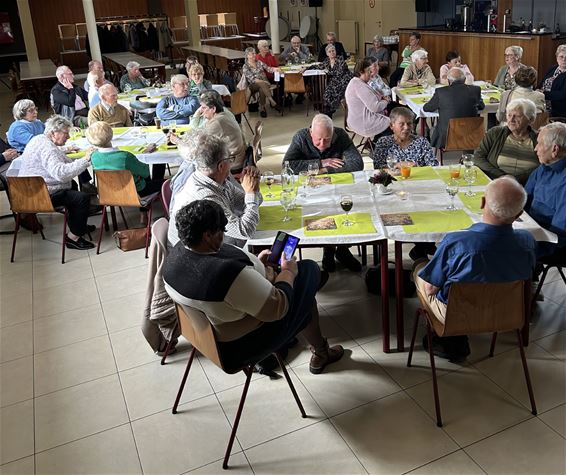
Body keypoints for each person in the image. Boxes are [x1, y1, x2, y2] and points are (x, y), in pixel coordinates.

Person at [163, 199, 344, 374]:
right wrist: (288, 272)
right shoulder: (224, 275)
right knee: (308, 271)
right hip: (241, 346)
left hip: (204, 337)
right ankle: (321, 352)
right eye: (221, 232)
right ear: (207, 235)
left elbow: (234, 290)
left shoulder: (175, 256)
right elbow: (277, 307)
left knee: (302, 292)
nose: (223, 236)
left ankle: (321, 351)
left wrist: (257, 266)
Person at [414, 176, 536, 361]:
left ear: (482, 202)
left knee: (420, 269)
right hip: (506, 313)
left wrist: (419, 268)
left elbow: (430, 289)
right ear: (519, 214)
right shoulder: (528, 242)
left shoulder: (456, 242)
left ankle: (447, 338)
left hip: (457, 316)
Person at [283, 114, 363, 273]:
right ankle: (330, 249)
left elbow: (357, 163)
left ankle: (340, 249)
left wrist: (325, 170)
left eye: (327, 139)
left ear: (333, 135)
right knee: (320, 216)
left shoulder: (340, 136)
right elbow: (287, 166)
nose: (322, 144)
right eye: (318, 139)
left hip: (338, 189)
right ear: (310, 132)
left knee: (348, 213)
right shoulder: (301, 137)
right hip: (309, 192)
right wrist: (319, 162)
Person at [167, 130, 262, 248]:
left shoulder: (217, 180)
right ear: (221, 166)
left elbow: (250, 203)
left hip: (210, 241)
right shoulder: (206, 197)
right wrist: (251, 193)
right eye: (230, 158)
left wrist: (253, 186)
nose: (231, 162)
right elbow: (246, 231)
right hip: (192, 254)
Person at [17, 115, 95, 250]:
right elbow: (61, 174)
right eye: (66, 133)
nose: (68, 137)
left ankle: (78, 223)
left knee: (73, 185)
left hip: (29, 190)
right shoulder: (49, 148)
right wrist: (86, 160)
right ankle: (73, 237)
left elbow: (51, 152)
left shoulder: (39, 139)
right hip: (41, 195)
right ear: (53, 132)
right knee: (81, 198)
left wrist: (66, 149)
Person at [86, 121, 162, 198]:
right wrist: (145, 154)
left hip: (109, 193)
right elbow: (146, 173)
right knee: (168, 182)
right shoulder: (125, 156)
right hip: (135, 192)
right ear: (111, 134)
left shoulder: (93, 157)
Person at [524, 122, 566, 258]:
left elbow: (559, 234)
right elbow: (523, 200)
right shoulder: (544, 167)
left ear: (554, 149)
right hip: (533, 229)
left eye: (539, 144)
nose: (535, 149)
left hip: (554, 242)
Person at [474, 98, 539, 185]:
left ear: (530, 119)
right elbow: (478, 157)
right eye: (509, 115)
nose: (511, 120)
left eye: (517, 116)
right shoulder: (495, 133)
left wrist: (517, 180)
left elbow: (545, 166)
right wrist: (503, 176)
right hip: (496, 183)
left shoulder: (540, 139)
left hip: (528, 186)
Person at [423, 68, 484, 149]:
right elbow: (481, 106)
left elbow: (427, 108)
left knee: (434, 129)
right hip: (470, 134)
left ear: (448, 81)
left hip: (447, 136)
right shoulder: (475, 90)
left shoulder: (441, 92)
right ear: (465, 79)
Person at [189, 90, 246, 172]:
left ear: (213, 109)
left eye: (204, 108)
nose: (201, 110)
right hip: (235, 156)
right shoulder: (224, 113)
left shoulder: (217, 122)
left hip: (232, 163)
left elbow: (198, 143)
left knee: (192, 162)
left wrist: (177, 141)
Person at [372, 107, 437, 168]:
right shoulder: (384, 142)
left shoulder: (421, 142)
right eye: (401, 124)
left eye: (409, 124)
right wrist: (399, 165)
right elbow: (378, 167)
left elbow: (433, 165)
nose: (406, 128)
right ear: (391, 125)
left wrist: (417, 167)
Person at [344, 57, 390, 140]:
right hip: (362, 122)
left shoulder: (356, 81)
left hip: (357, 118)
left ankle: (375, 142)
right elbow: (375, 108)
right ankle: (378, 146)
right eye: (369, 72)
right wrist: (385, 101)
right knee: (393, 125)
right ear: (361, 72)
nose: (371, 74)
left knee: (393, 119)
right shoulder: (359, 85)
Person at [308, 44, 352, 117]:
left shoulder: (340, 59)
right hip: (335, 80)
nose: (332, 52)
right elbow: (318, 66)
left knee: (334, 90)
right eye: (330, 51)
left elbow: (340, 72)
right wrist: (307, 68)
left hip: (344, 79)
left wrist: (328, 72)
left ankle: (330, 111)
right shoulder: (326, 61)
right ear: (327, 53)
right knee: (327, 91)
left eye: (333, 51)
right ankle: (327, 110)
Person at [242, 47, 279, 118]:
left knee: (262, 88)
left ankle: (262, 109)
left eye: (254, 53)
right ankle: (271, 101)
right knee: (261, 83)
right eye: (251, 54)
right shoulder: (245, 66)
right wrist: (263, 82)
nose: (254, 55)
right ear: (247, 56)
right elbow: (252, 79)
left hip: (264, 85)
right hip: (252, 86)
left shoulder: (259, 62)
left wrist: (276, 69)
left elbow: (268, 68)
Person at [539, 44, 566, 118]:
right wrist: (537, 90)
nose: (564, 59)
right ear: (557, 58)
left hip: (558, 110)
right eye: (561, 57)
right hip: (543, 104)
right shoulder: (553, 68)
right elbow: (542, 83)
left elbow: (563, 94)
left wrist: (543, 94)